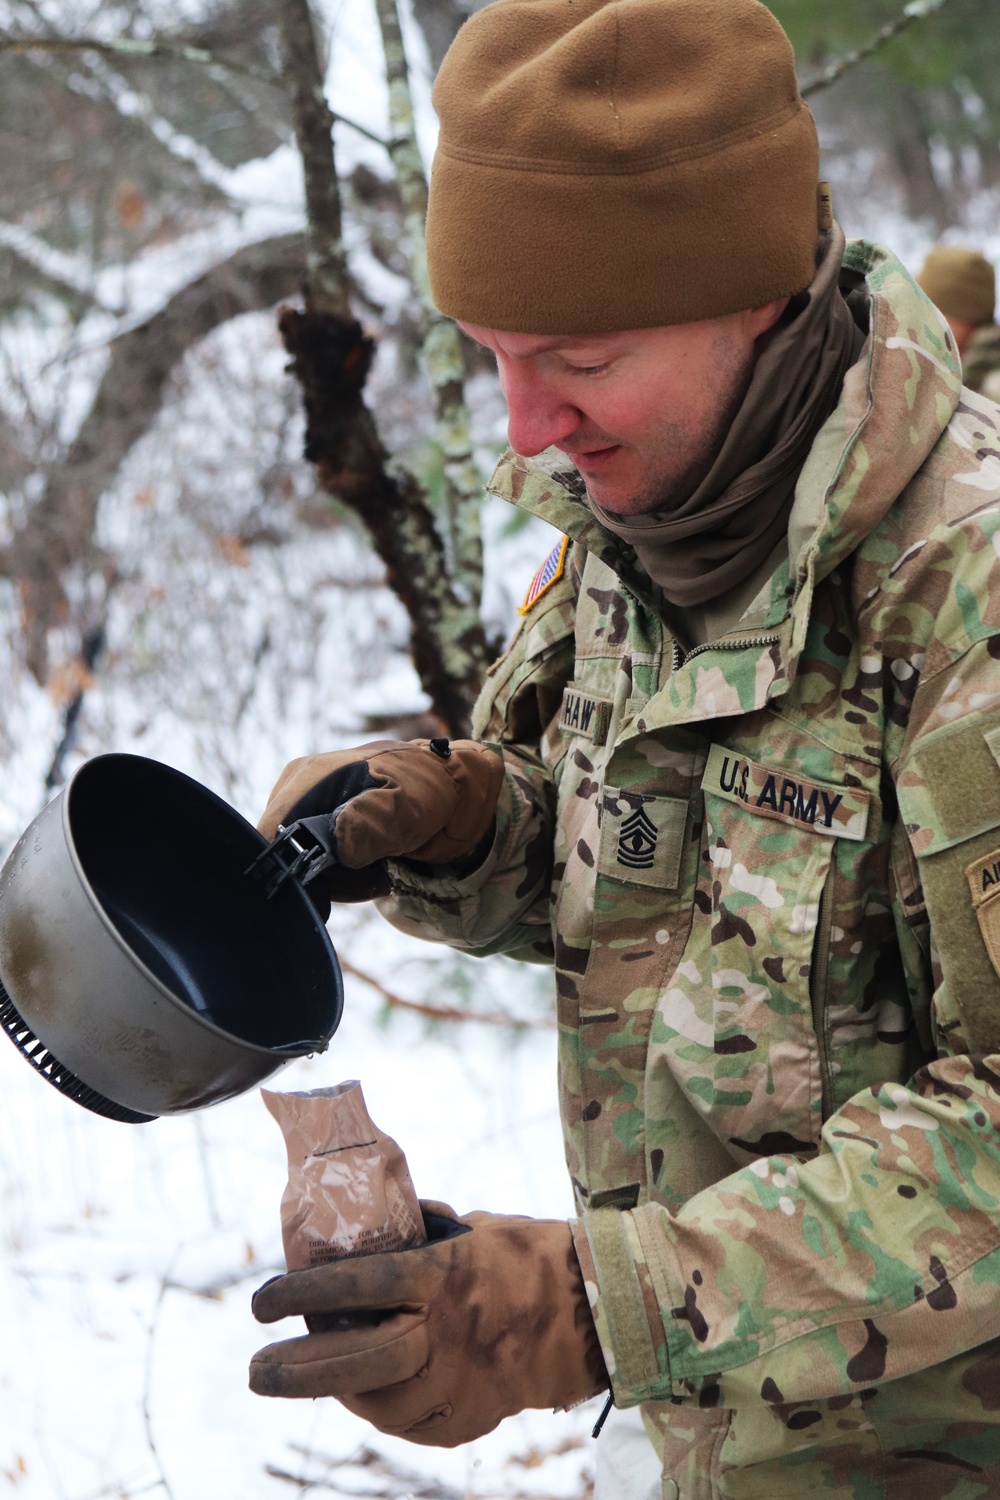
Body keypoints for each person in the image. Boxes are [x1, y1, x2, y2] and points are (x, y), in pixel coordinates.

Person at [248, 0, 1000, 1492]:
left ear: (756, 299)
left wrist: (600, 1308)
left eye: (576, 355)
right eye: (492, 358)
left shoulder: (962, 596)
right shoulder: (647, 531)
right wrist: (469, 829)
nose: (530, 429)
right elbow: (682, 892)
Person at [917, 244, 1000, 401]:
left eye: (934, 315)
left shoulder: (992, 388)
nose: (923, 326)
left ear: (967, 318)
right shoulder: (959, 375)